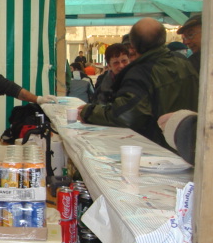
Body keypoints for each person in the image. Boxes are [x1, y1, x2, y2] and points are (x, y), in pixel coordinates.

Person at [79, 18, 199, 148]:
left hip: (158, 150)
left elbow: (126, 116)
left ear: (133, 45)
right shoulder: (183, 61)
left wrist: (88, 112)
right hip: (190, 144)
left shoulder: (140, 73)